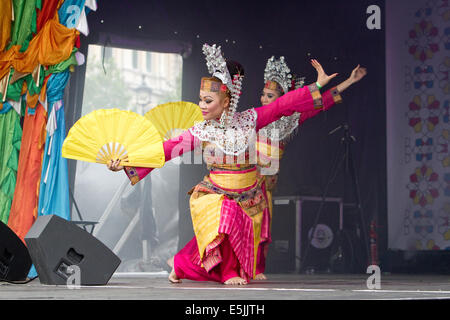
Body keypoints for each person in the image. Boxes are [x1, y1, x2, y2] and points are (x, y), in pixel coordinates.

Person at [108, 44, 367, 285]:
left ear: (226, 101)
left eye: (207, 101)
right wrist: (128, 162)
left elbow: (284, 105)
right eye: (201, 100)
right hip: (215, 192)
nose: (201, 105)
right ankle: (228, 273)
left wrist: (318, 85)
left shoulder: (249, 120)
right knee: (227, 216)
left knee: (234, 237)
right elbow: (166, 149)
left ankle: (181, 264)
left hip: (250, 191)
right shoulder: (202, 131)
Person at [254, 57, 365, 280]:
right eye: (263, 95)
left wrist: (350, 82)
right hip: (246, 178)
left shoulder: (292, 119)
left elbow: (324, 101)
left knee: (262, 226)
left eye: (270, 96)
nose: (263, 99)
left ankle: (254, 268)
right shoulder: (255, 116)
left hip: (266, 183)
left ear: (282, 99)